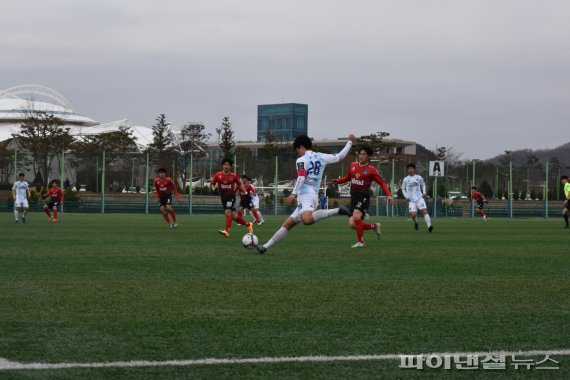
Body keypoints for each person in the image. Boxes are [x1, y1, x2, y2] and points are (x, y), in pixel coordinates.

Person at [257, 134, 355, 254]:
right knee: (287, 224)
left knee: (307, 220)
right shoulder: (322, 156)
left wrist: (293, 193)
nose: (298, 153)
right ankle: (265, 247)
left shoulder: (302, 160)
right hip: (313, 195)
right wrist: (349, 142)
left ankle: (338, 210)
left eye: (297, 150)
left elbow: (302, 177)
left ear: (301, 147)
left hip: (305, 195)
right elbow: (340, 156)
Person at [331, 146, 394, 248]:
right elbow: (347, 178)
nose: (361, 156)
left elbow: (382, 182)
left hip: (364, 196)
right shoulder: (353, 165)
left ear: (368, 157)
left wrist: (389, 195)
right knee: (352, 224)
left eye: (364, 154)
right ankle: (374, 226)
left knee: (356, 216)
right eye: (360, 154)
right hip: (354, 197)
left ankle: (361, 241)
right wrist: (338, 181)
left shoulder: (371, 170)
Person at [211, 158, 254, 237]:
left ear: (230, 166)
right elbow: (213, 183)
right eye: (225, 164)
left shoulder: (234, 176)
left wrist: (245, 192)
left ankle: (226, 231)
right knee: (234, 216)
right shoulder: (218, 175)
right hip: (223, 198)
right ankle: (248, 224)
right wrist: (213, 188)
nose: (226, 166)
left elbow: (240, 185)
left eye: (228, 165)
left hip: (231, 196)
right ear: (222, 166)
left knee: (227, 212)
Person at [401, 163, 433, 232]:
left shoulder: (419, 177)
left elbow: (423, 184)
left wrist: (424, 192)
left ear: (414, 169)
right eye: (409, 169)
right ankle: (416, 223)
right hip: (411, 200)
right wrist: (406, 196)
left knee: (424, 211)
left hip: (419, 198)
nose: (410, 170)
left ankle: (429, 226)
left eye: (411, 169)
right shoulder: (405, 179)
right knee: (413, 215)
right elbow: (403, 189)